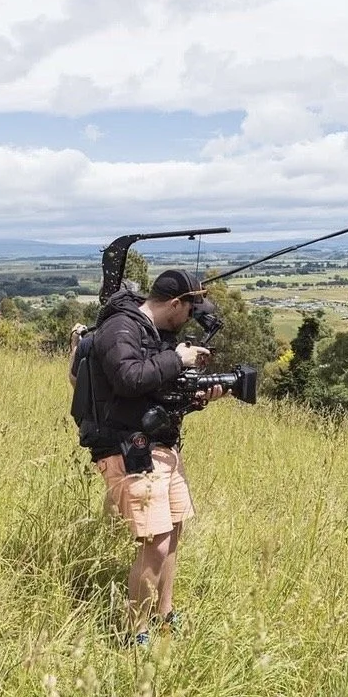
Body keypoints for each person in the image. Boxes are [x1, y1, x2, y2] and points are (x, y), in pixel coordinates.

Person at [86, 269, 224, 646]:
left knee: (173, 530)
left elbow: (156, 392)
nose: (191, 317)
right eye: (190, 309)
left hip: (162, 447)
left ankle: (164, 616)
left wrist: (198, 396)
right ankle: (136, 634)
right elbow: (128, 379)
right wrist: (178, 360)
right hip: (128, 448)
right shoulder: (121, 328)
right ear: (175, 303)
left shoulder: (158, 334)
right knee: (156, 543)